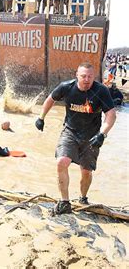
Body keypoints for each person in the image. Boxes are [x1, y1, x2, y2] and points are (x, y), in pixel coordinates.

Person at [35, 63, 116, 215]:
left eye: (90, 77)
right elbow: (50, 99)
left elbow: (111, 114)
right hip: (70, 132)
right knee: (62, 161)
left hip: (91, 136)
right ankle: (65, 202)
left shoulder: (101, 90)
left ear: (94, 77)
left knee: (86, 171)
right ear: (77, 75)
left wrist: (102, 134)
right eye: (83, 76)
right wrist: (41, 118)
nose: (87, 80)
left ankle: (83, 197)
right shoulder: (66, 87)